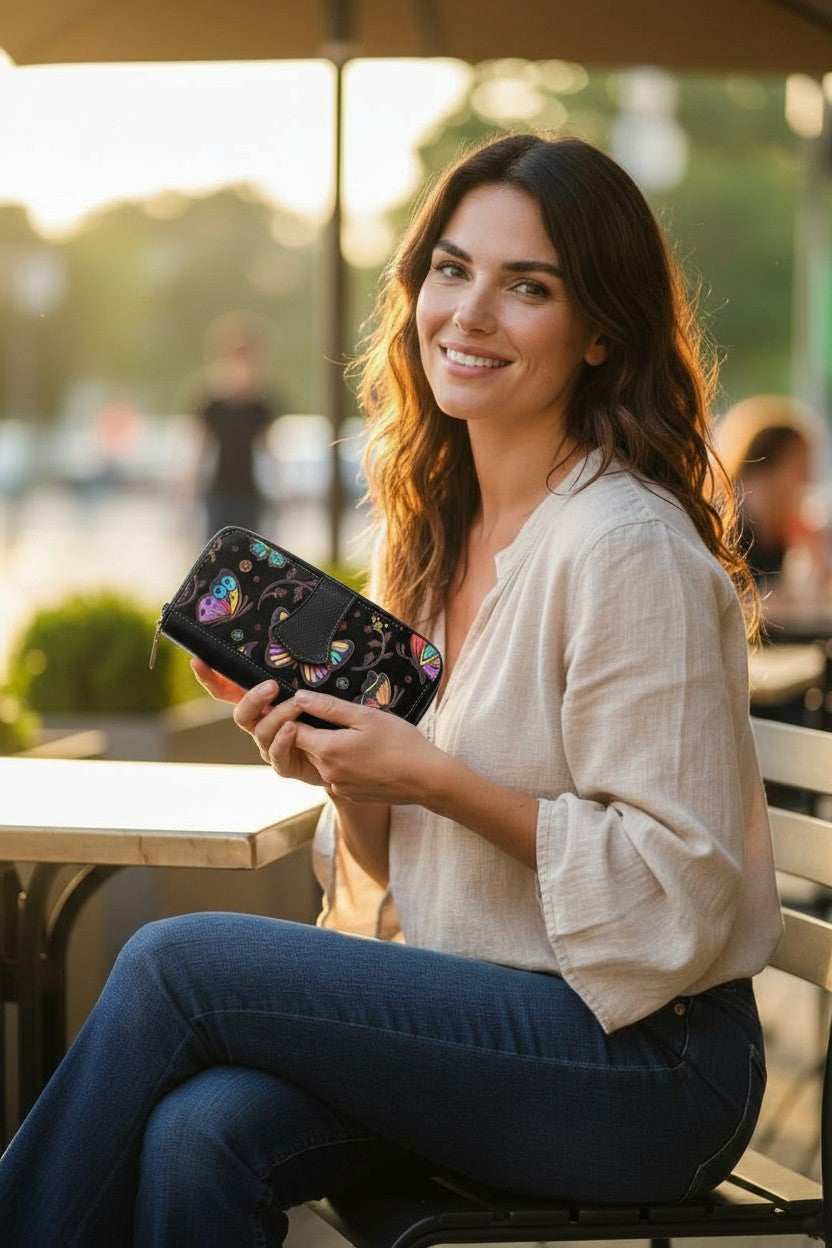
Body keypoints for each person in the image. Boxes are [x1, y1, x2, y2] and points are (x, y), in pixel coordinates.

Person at [0, 134, 783, 1247]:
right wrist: (342, 769)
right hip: (489, 1020)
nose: (468, 313)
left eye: (529, 287)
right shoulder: (432, 535)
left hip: (652, 1071)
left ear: (601, 332)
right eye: (452, 270)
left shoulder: (625, 550)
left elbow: (679, 890)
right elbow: (390, 868)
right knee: (198, 1132)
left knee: (175, 962)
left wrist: (442, 781)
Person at [716, 393, 830, 599]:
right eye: (800, 464)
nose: (808, 477)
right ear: (771, 464)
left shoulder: (782, 521)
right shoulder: (729, 522)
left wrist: (816, 547)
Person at [192, 310, 279, 537]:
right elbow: (199, 449)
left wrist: (280, 492)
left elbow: (268, 449)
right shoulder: (212, 404)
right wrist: (189, 490)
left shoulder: (260, 406)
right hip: (219, 493)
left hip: (249, 493)